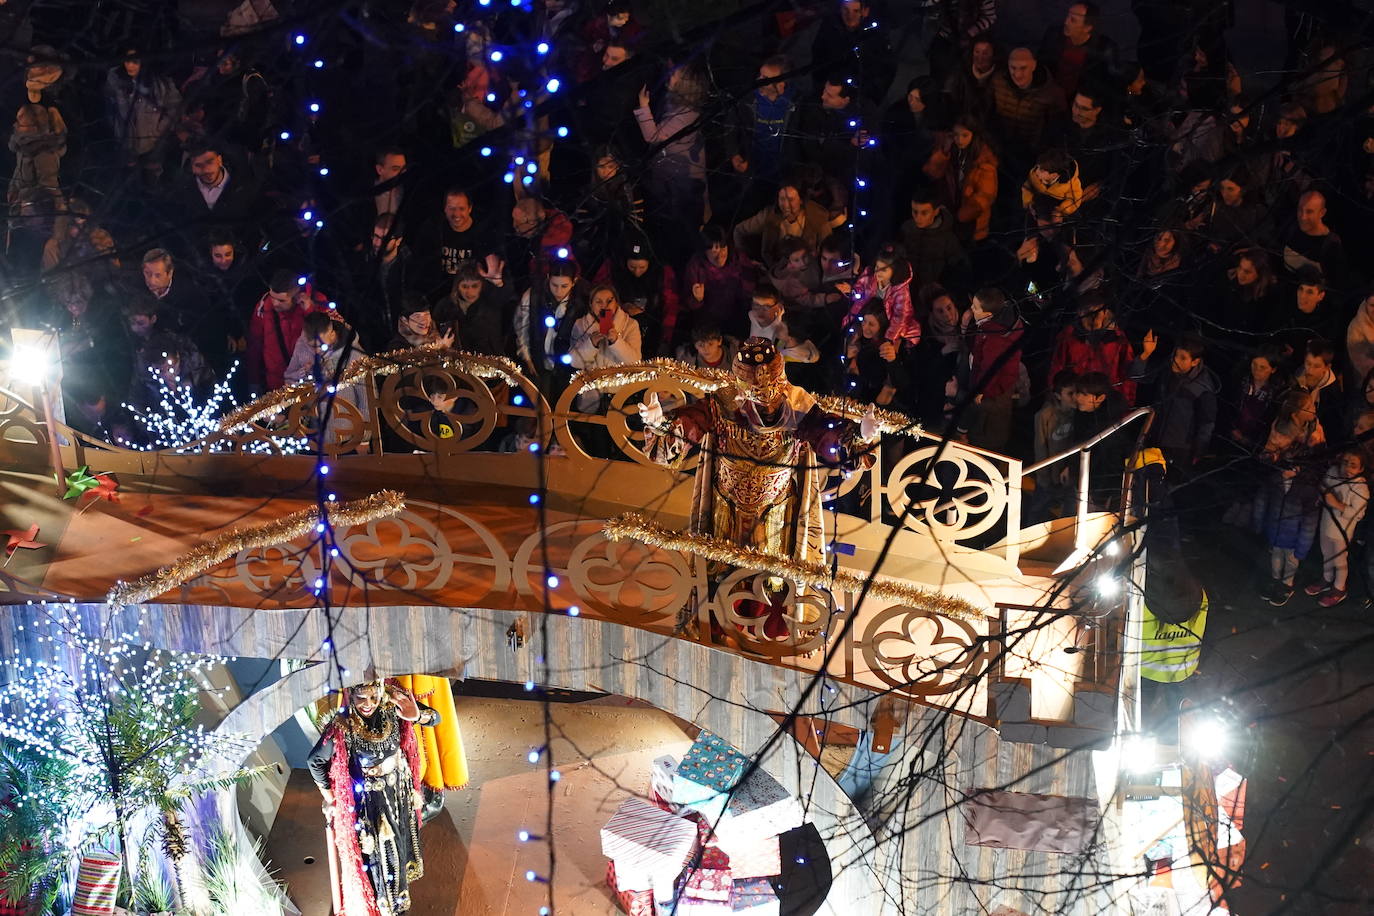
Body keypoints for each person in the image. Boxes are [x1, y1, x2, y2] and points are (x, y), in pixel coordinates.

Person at [639, 338, 878, 632]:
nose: (763, 400)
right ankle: (714, 623)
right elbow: (691, 423)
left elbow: (825, 434)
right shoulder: (722, 402)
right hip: (726, 503)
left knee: (772, 571)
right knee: (719, 564)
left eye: (769, 391)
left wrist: (857, 437)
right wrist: (661, 424)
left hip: (776, 505)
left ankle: (768, 628)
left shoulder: (798, 404)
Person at [308, 680, 440, 916]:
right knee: (381, 857)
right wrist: (331, 799)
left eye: (373, 697)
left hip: (399, 794)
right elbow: (315, 761)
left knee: (402, 846)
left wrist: (416, 715)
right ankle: (388, 906)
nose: (368, 704)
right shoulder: (342, 727)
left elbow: (435, 718)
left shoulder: (394, 705)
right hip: (372, 804)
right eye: (361, 698)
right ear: (351, 694)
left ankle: (400, 897)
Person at [1130, 332, 1219, 471]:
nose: (1176, 360)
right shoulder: (1167, 370)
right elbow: (1138, 377)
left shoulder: (1203, 388)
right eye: (1176, 355)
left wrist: (1198, 452)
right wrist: (1145, 354)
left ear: (1195, 362)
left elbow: (1206, 424)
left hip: (1179, 449)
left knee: (1170, 487)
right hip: (1152, 439)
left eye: (1183, 358)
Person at [959, 287, 1024, 452]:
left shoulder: (994, 337)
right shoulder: (990, 328)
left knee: (989, 432)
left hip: (993, 393)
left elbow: (990, 366)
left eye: (975, 307)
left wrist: (981, 389)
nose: (971, 309)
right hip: (991, 389)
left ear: (987, 314)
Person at [246, 271, 331, 393]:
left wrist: (309, 312)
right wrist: (254, 380)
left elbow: (329, 338)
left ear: (297, 297)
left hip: (312, 384)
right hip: (277, 386)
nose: (274, 303)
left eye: (281, 301)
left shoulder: (318, 303)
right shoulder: (264, 306)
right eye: (272, 297)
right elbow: (255, 345)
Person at [104, 48, 181, 182]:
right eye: (127, 60)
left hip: (153, 142)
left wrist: (159, 130)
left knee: (150, 178)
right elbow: (109, 101)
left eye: (135, 61)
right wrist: (115, 124)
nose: (129, 65)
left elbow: (175, 106)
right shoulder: (115, 77)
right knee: (126, 179)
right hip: (126, 141)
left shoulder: (160, 82)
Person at [922, 113, 998, 244]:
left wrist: (963, 215)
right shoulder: (952, 151)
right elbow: (933, 173)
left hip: (971, 222)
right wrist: (943, 152)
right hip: (950, 212)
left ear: (974, 135)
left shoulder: (983, 161)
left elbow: (986, 195)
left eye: (964, 135)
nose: (959, 140)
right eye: (956, 135)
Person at [1048, 293, 1136, 404]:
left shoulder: (1118, 340)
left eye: (1097, 313)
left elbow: (1128, 374)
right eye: (1087, 313)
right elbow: (1056, 370)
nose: (1092, 319)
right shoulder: (1068, 338)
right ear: (1079, 313)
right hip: (1078, 402)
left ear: (1105, 313)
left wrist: (1126, 403)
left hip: (1107, 402)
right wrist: (1056, 400)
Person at [1307, 451, 1369, 607]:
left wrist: (1335, 503)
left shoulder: (1360, 487)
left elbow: (1358, 514)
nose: (1347, 467)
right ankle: (1327, 579)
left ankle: (1339, 588)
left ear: (1360, 469)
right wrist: (1321, 496)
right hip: (1326, 523)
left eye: (1353, 465)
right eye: (1345, 462)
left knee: (1340, 560)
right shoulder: (1333, 472)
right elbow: (1323, 485)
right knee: (1326, 553)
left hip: (1342, 532)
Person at [732, 183, 831, 273]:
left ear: (801, 200)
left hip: (808, 270)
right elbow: (739, 230)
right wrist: (747, 260)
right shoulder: (769, 216)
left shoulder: (817, 216)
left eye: (791, 200)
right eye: (782, 199)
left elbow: (828, 247)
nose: (786, 205)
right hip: (778, 271)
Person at [681, 225, 752, 341]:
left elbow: (749, 292)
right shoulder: (696, 266)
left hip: (737, 317)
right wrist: (697, 299)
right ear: (704, 251)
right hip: (709, 323)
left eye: (723, 248)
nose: (720, 256)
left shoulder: (738, 258)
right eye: (714, 251)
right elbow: (688, 303)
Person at [1039, 1, 1119, 98]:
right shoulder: (1053, 35)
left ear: (1087, 28)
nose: (1066, 22)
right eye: (1067, 16)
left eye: (1072, 20)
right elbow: (1041, 64)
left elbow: (1110, 83)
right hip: (1050, 96)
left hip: (1080, 102)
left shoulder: (1105, 49)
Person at [844, 251, 918, 345]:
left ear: (894, 271)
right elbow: (860, 289)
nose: (877, 272)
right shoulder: (870, 277)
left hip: (888, 323)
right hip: (868, 313)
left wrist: (889, 339)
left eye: (883, 270)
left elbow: (900, 316)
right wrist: (851, 291)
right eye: (877, 267)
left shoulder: (901, 291)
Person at [433, 263, 507, 357]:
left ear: (482, 285)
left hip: (486, 362)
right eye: (464, 286)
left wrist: (498, 283)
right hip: (453, 361)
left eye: (475, 286)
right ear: (457, 286)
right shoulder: (445, 306)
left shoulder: (490, 305)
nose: (470, 292)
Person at [899, 188, 968, 287]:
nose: (918, 217)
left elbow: (959, 267)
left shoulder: (947, 238)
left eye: (924, 213)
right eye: (915, 211)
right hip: (906, 289)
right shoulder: (906, 229)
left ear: (936, 212)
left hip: (932, 293)